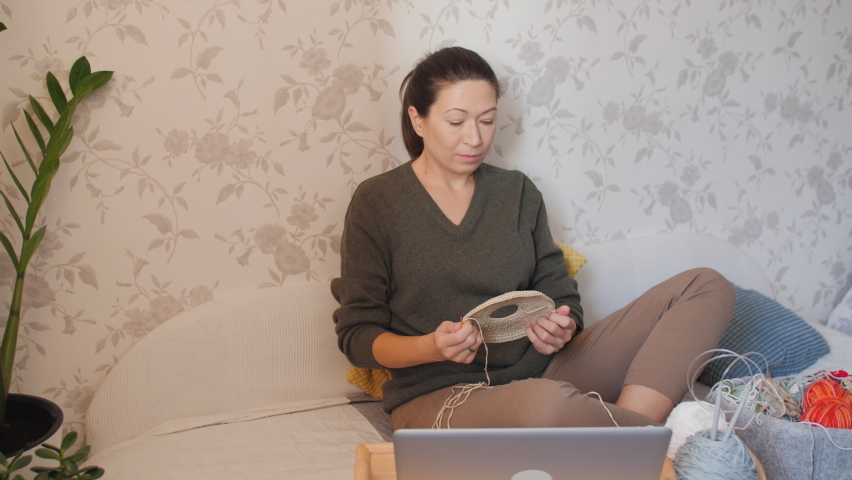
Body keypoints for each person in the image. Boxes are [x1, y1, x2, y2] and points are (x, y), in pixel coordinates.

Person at [331, 46, 735, 430]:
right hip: (438, 396)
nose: (475, 138)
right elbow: (358, 334)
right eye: (456, 122)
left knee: (706, 286)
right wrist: (431, 348)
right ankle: (633, 438)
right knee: (548, 404)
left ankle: (627, 435)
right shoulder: (378, 201)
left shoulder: (517, 192)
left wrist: (562, 326)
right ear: (418, 120)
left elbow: (561, 296)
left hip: (542, 371)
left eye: (487, 120)